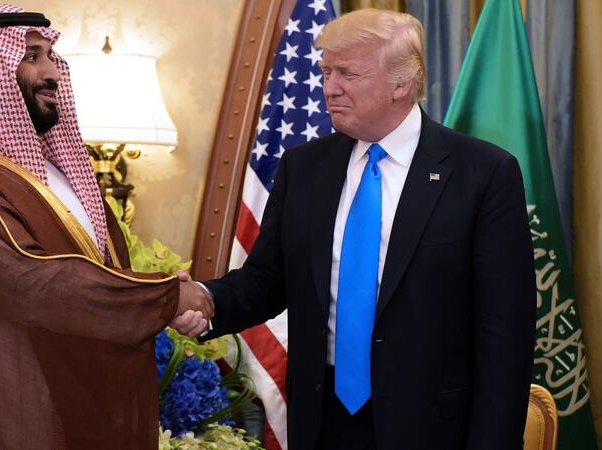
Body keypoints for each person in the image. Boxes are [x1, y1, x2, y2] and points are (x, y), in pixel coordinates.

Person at [179, 8, 536, 450]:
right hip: (323, 421)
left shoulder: (483, 174)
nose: (330, 88)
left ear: (401, 84)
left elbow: (507, 337)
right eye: (326, 71)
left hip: (434, 427)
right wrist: (204, 300)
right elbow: (269, 280)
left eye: (347, 73)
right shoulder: (304, 168)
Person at [0, 4, 211, 449]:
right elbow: (32, 283)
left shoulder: (59, 175)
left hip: (74, 409)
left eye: (51, 57)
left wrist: (161, 293)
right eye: (31, 56)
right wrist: (167, 296)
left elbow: (99, 268)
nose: (51, 72)